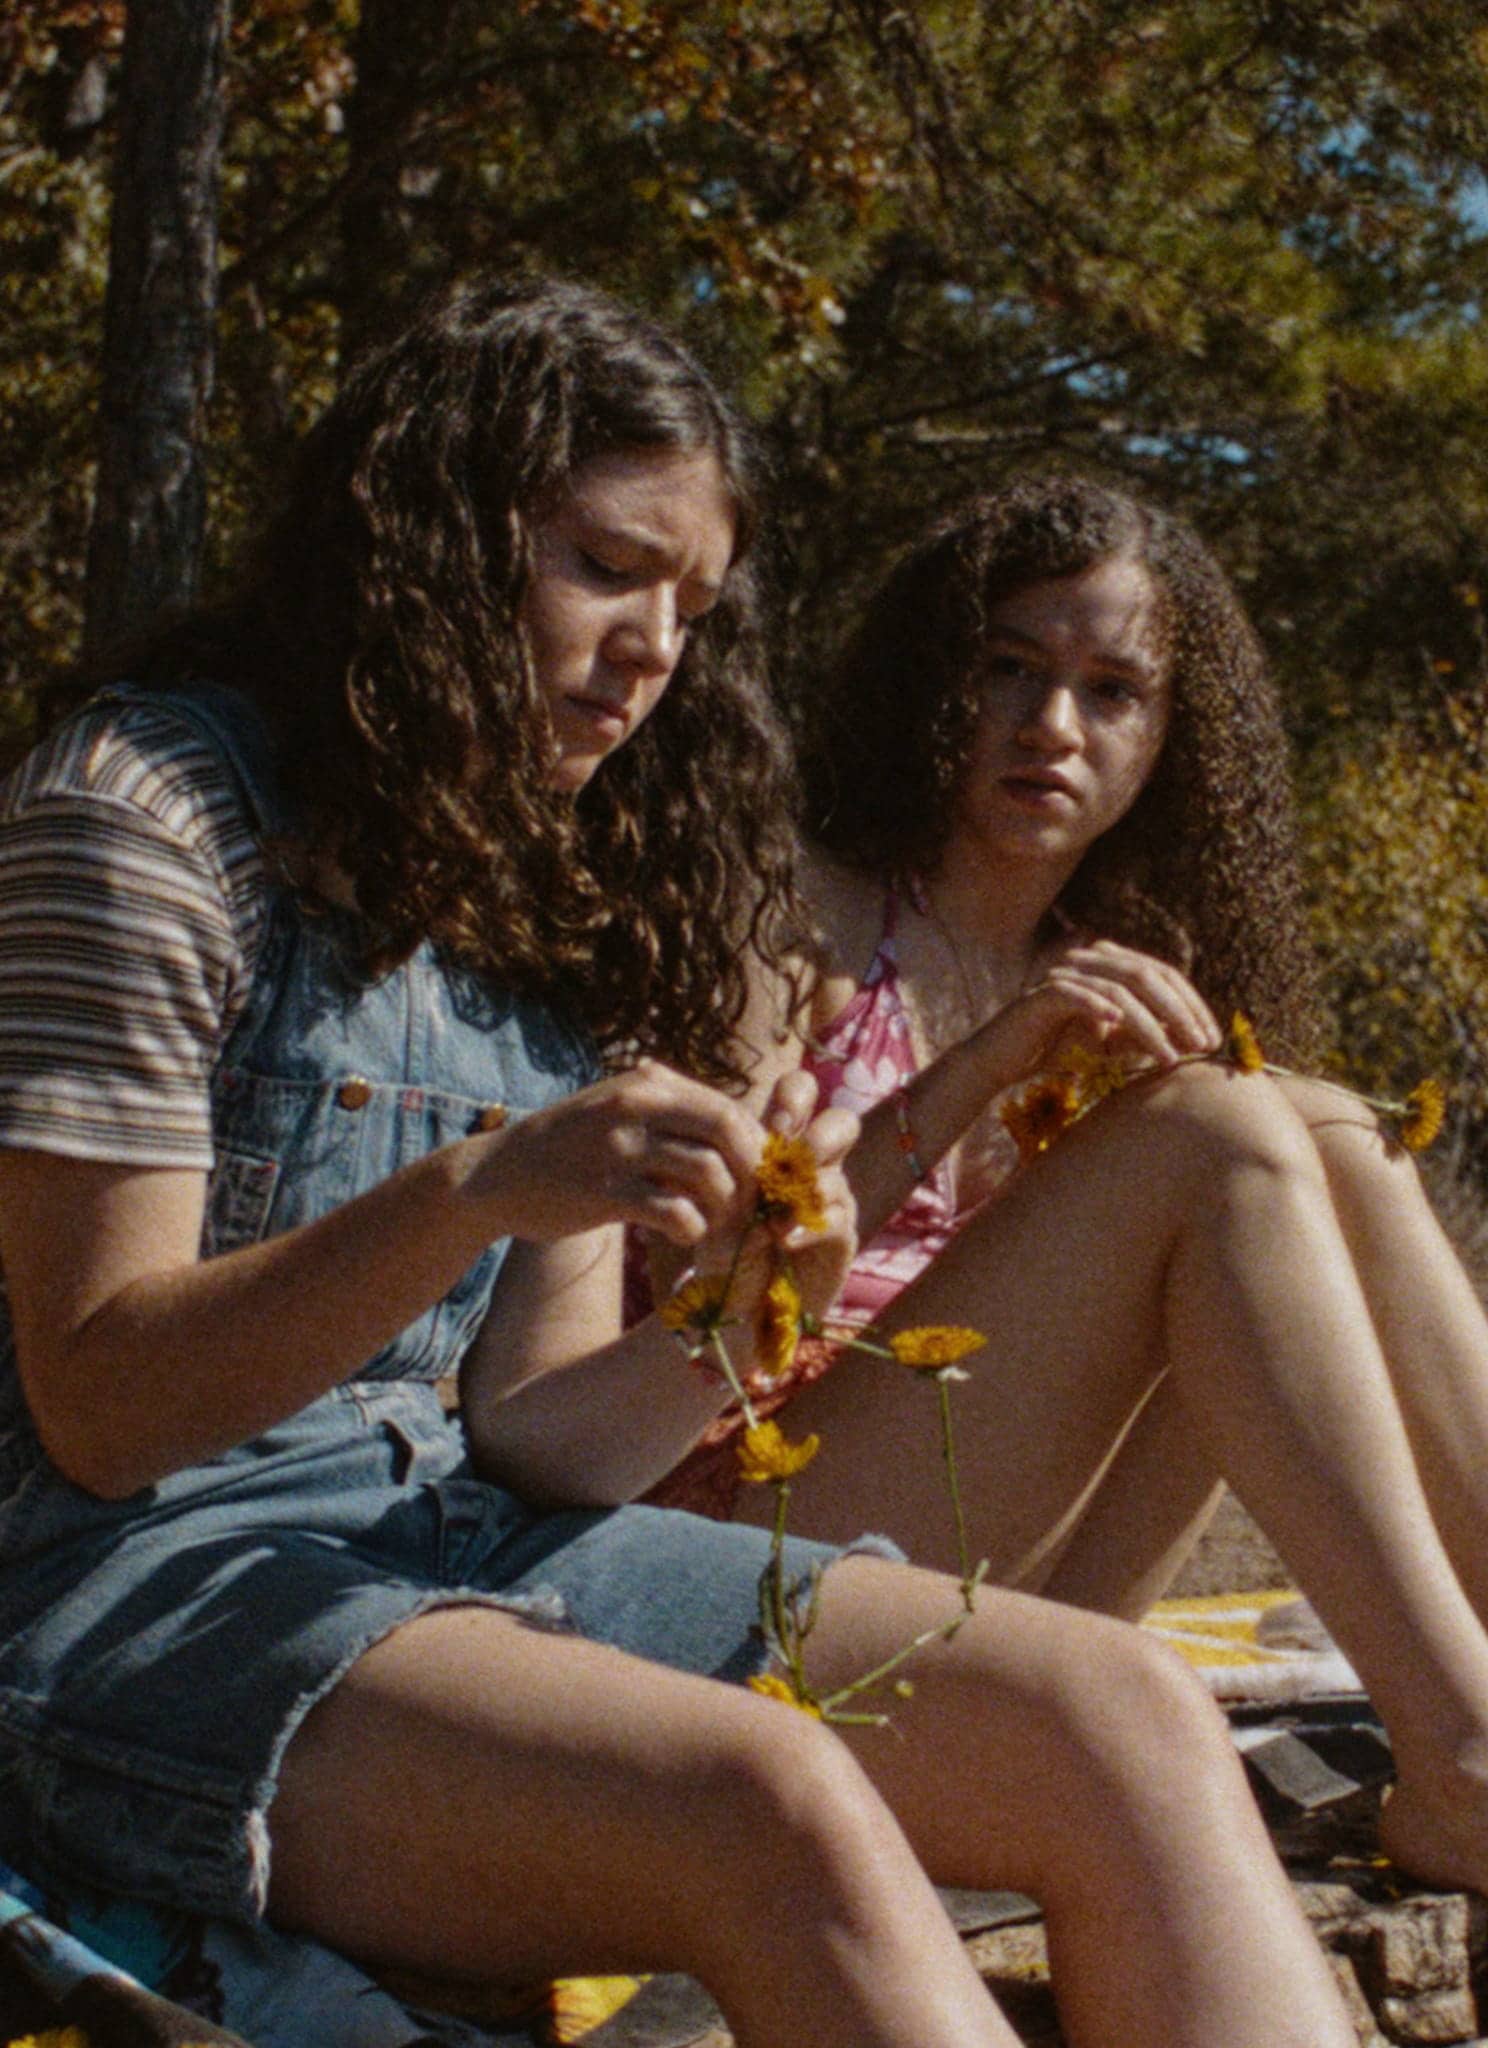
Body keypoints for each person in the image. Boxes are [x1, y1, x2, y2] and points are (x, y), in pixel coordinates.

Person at [0, 277, 1357, 2048]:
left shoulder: (550, 875)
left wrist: (740, 1312)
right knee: (765, 1800)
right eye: (604, 568)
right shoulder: (141, 823)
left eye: (692, 604)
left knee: (1120, 1714)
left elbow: (543, 1434)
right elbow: (102, 1407)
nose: (653, 647)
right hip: (132, 1611)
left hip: (461, 1543)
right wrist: (480, 1190)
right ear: (424, 543)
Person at [647, 470, 1488, 1904]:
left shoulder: (1124, 960)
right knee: (1220, 1129)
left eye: (1112, 693)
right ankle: (1469, 1767)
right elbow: (692, 1280)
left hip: (1018, 1585)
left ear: (1172, 739)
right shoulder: (790, 906)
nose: (1052, 727)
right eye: (1012, 670)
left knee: (1329, 1128)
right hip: (751, 1546)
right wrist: (984, 1067)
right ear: (936, 680)